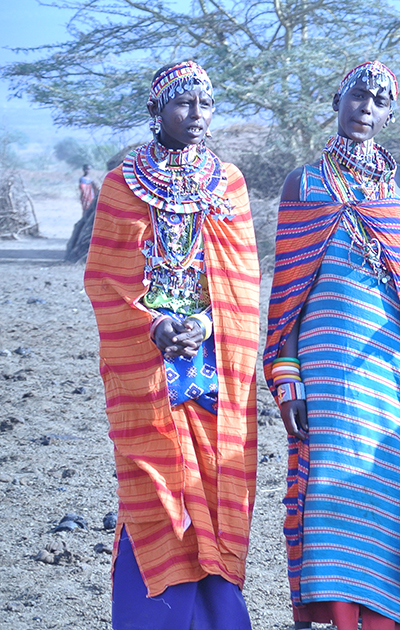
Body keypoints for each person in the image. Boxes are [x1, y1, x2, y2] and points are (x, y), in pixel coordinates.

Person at [264, 60, 400, 630]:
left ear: (389, 113)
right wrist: (289, 376)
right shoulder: (304, 183)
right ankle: (338, 616)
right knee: (330, 495)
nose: (366, 107)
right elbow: (289, 293)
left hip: (390, 370)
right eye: (357, 96)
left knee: (386, 490)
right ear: (336, 99)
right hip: (323, 370)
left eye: (379, 100)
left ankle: (384, 619)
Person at [83, 60, 260, 629]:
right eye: (184, 104)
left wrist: (209, 324)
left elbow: (243, 280)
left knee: (211, 488)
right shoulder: (120, 183)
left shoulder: (227, 182)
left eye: (205, 104)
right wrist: (154, 326)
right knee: (156, 491)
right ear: (155, 111)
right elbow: (106, 281)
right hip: (148, 364)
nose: (197, 115)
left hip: (213, 366)